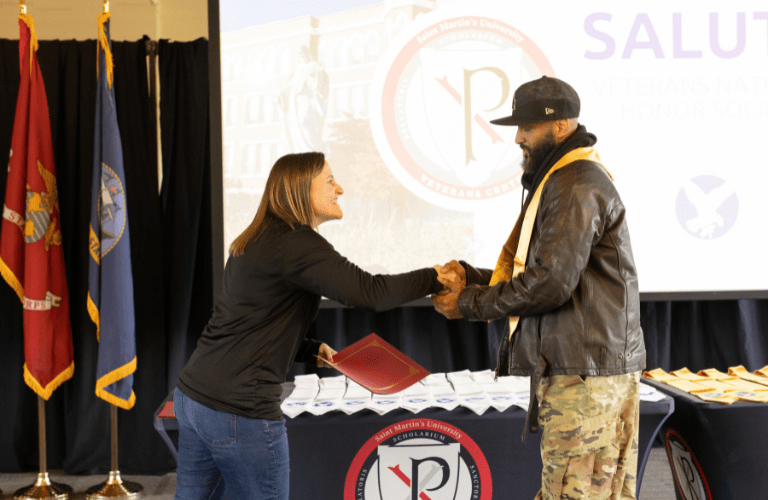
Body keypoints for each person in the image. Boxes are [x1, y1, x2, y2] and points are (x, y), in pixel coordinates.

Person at [173, 152, 452, 500]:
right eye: (329, 181)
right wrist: (432, 277)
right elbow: (371, 293)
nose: (341, 189)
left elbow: (246, 322)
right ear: (301, 189)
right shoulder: (297, 243)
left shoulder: (255, 238)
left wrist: (308, 348)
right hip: (238, 411)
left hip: (194, 399)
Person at [432, 76, 646, 499]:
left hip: (586, 381)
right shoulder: (567, 178)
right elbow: (547, 270)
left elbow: (549, 283)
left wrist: (469, 302)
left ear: (561, 126)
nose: (518, 138)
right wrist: (474, 277)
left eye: (527, 127)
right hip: (593, 374)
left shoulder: (574, 184)